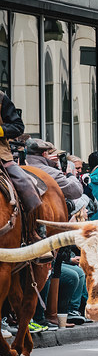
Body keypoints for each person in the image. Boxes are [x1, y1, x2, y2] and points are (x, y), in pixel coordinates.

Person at [0, 89, 47, 243]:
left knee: (27, 185)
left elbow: (18, 126)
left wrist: (1, 130)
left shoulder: (1, 98)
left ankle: (34, 232)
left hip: (1, 155)